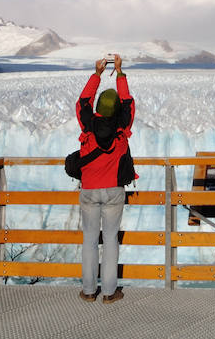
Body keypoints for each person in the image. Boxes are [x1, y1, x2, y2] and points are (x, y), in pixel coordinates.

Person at [75, 54, 135, 303]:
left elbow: (82, 101)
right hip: (113, 191)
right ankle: (110, 293)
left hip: (89, 189)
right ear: (117, 109)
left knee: (89, 240)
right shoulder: (122, 128)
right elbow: (129, 103)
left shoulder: (87, 124)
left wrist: (97, 74)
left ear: (99, 107)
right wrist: (120, 73)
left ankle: (89, 291)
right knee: (110, 240)